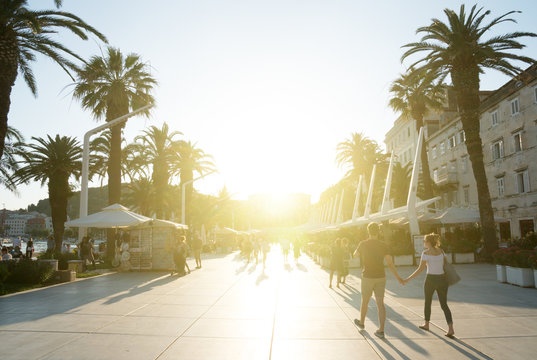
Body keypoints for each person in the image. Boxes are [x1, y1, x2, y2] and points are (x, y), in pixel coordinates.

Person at [353, 222, 404, 339]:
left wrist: (360, 251)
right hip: (381, 276)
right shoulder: (383, 245)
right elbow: (390, 263)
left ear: (368, 231)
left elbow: (355, 255)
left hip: (367, 276)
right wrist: (398, 277)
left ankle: (361, 322)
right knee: (380, 304)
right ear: (378, 231)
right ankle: (381, 330)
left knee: (365, 300)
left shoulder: (363, 244)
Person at [403, 233, 455, 338]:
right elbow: (446, 265)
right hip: (442, 280)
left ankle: (426, 324)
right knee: (444, 305)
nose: (423, 243)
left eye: (424, 241)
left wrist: (407, 279)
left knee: (428, 302)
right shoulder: (441, 251)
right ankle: (450, 328)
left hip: (430, 279)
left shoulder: (425, 253)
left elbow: (420, 269)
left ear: (429, 242)